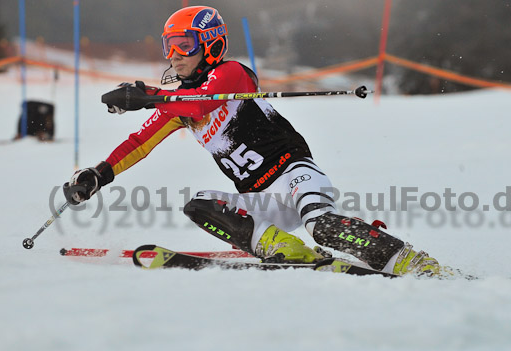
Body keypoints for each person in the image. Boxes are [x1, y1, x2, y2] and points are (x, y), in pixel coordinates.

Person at [63, 6, 446, 277]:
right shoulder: (176, 103)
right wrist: (98, 174)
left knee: (322, 227)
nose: (174, 56)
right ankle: (283, 247)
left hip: (295, 175)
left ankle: (410, 260)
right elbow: (140, 142)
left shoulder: (232, 74)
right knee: (200, 207)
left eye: (184, 45)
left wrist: (148, 94)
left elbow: (203, 103)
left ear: (210, 44)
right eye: (169, 46)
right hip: (259, 199)